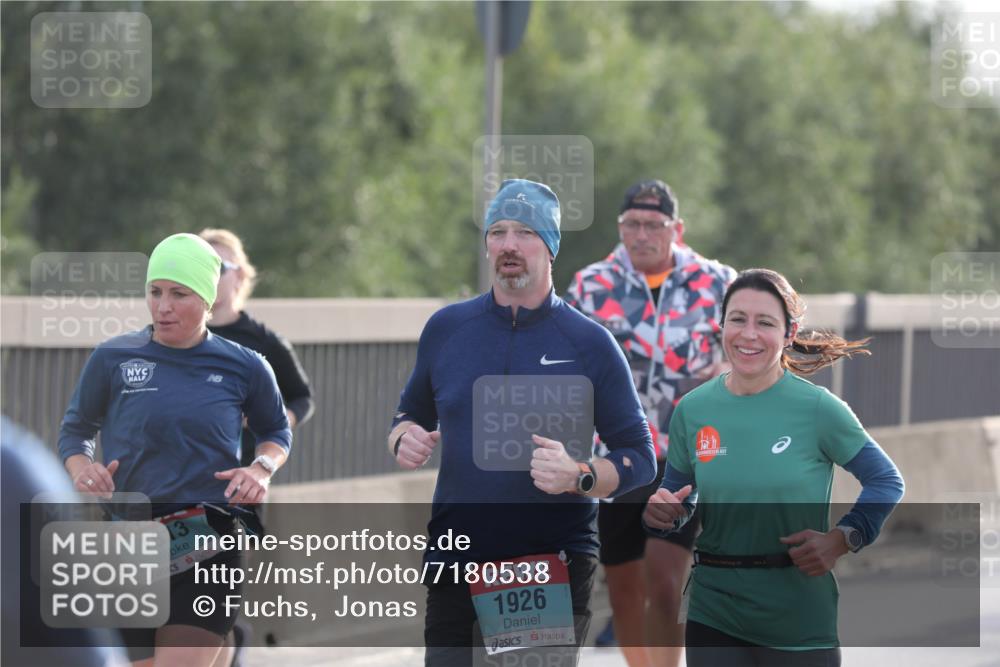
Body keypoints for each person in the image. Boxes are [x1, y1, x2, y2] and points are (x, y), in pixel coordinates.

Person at [388, 179, 656, 667]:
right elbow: (409, 414)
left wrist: (580, 475)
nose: (509, 244)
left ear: (551, 247)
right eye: (498, 232)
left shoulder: (589, 343)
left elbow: (639, 457)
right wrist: (403, 437)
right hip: (456, 555)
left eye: (526, 232)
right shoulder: (447, 329)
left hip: (547, 561)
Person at [643, 268, 905, 666]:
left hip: (797, 615)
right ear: (722, 325)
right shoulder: (692, 410)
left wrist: (843, 538)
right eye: (738, 319)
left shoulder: (819, 409)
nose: (748, 334)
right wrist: (663, 513)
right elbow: (681, 497)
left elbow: (886, 481)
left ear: (788, 332)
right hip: (713, 610)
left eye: (765, 323)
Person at [58, 233, 292, 667]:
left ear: (206, 298)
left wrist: (260, 468)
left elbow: (276, 431)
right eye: (155, 291)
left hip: (209, 541)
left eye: (179, 294)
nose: (162, 306)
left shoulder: (246, 365)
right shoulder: (112, 357)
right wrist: (81, 468)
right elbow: (76, 431)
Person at [565, 179, 735, 667]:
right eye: (632, 224)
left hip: (684, 457)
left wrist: (726, 373)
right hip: (616, 457)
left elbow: (754, 346)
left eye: (653, 225)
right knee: (624, 590)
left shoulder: (717, 282)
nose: (641, 235)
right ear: (620, 228)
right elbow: (564, 362)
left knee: (665, 580)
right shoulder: (591, 286)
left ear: (676, 229)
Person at [198, 228, 314, 666]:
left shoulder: (261, 342)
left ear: (240, 277)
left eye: (221, 267)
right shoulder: (172, 338)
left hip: (236, 482)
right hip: (173, 482)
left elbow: (301, 397)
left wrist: (272, 422)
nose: (211, 275)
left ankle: (232, 643)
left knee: (212, 593)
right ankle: (232, 639)